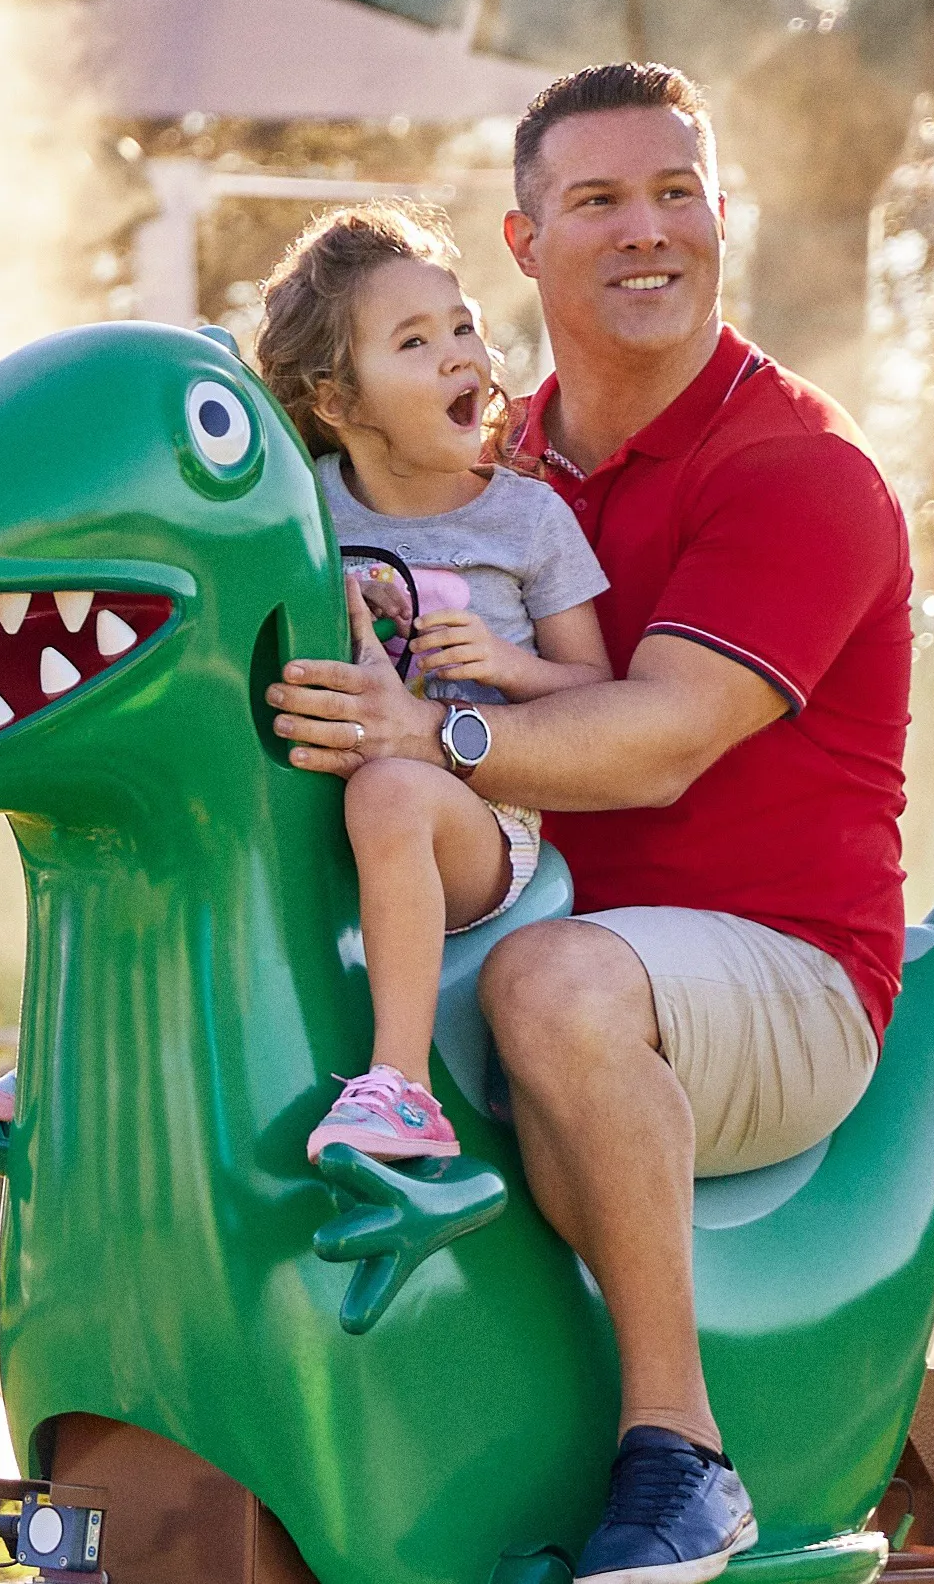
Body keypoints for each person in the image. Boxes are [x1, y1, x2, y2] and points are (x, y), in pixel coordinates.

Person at [261, 62, 916, 1584]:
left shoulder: (797, 471)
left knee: (542, 986)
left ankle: (682, 1454)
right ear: (523, 238)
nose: (647, 230)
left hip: (775, 970)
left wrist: (434, 732)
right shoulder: (477, 458)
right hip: (527, 915)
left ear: (720, 219)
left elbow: (660, 743)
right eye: (599, 198)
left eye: (677, 192)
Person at [240, 203, 616, 1167]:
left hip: (481, 834)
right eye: (415, 342)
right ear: (336, 399)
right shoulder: (300, 512)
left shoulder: (527, 523)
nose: (461, 355)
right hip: (326, 809)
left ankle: (402, 1089)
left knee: (392, 789)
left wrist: (503, 664)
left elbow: (599, 694)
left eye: (462, 326)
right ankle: (90, 1041)